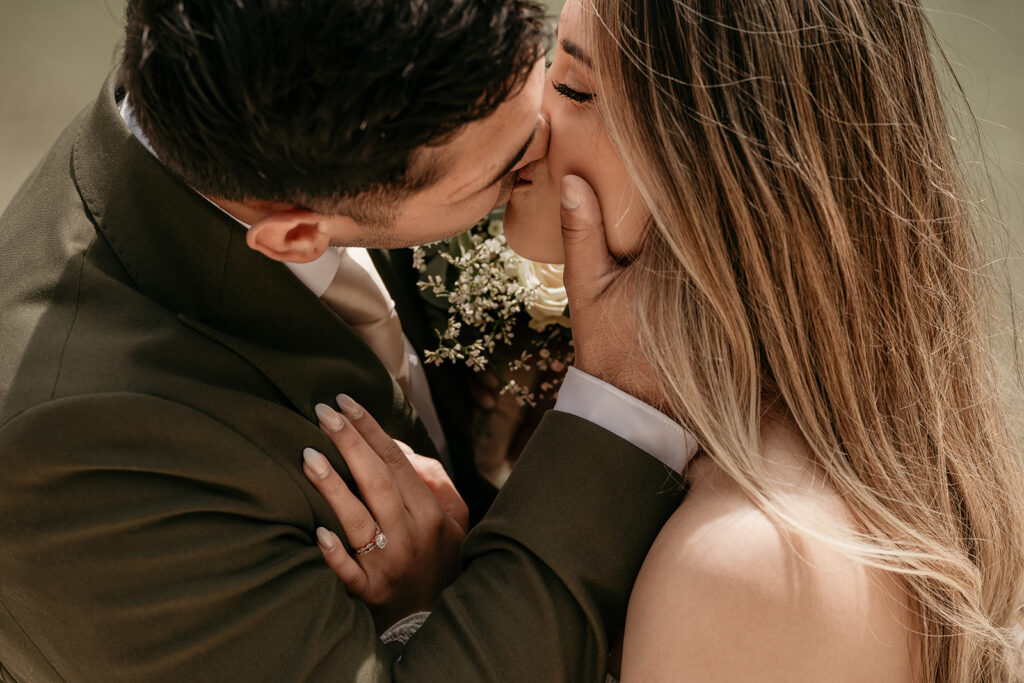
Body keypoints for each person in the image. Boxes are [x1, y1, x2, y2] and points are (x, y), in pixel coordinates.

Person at [316, 1, 1024, 681]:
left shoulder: (749, 567)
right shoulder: (812, 479)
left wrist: (423, 621)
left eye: (572, 86)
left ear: (727, 174)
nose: (532, 121)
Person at [0, 1, 698, 680]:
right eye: (503, 173)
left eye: (553, 73)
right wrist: (620, 406)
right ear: (298, 235)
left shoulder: (276, 119)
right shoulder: (78, 464)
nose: (549, 136)